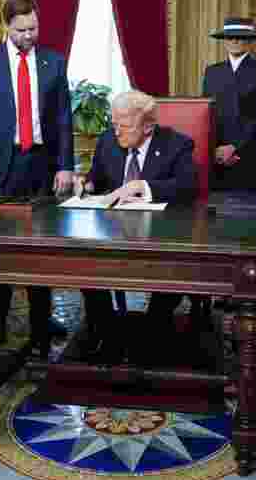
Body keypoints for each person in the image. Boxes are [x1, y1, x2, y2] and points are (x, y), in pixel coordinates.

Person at [0, 0, 74, 355]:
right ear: (6, 27)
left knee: (42, 247)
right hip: (3, 164)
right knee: (0, 248)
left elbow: (63, 118)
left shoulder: (54, 62)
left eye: (34, 28)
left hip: (41, 164)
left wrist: (65, 164)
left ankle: (40, 320)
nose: (30, 35)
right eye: (22, 29)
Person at [73, 91, 198, 364]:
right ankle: (104, 326)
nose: (116, 131)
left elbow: (188, 186)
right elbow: (97, 176)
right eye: (113, 123)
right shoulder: (108, 141)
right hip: (114, 228)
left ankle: (156, 328)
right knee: (81, 257)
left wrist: (143, 186)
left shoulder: (177, 144)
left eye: (124, 126)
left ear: (148, 127)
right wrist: (87, 184)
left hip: (163, 232)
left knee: (174, 263)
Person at [202, 16, 256, 192]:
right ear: (224, 40)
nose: (234, 40)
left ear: (249, 41)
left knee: (248, 214)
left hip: (248, 157)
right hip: (216, 158)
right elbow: (206, 115)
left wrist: (234, 147)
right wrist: (214, 150)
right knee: (214, 214)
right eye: (230, 36)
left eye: (240, 36)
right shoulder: (212, 72)